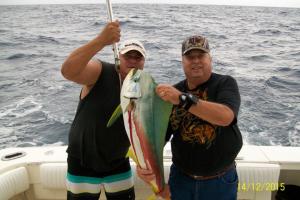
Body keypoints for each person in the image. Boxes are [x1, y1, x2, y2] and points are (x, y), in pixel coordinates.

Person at [137, 35, 242, 200]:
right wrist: (144, 166)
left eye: (201, 55)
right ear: (182, 61)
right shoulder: (173, 94)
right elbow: (158, 139)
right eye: (190, 57)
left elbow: (225, 117)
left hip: (220, 181)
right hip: (180, 181)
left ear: (210, 58)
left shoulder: (225, 83)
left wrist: (181, 99)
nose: (195, 61)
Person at [61, 20, 146, 200]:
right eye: (127, 56)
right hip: (82, 161)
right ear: (118, 57)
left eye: (137, 57)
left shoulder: (143, 88)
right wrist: (101, 40)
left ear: (143, 63)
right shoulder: (100, 71)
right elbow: (68, 71)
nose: (132, 60)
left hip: (118, 162)